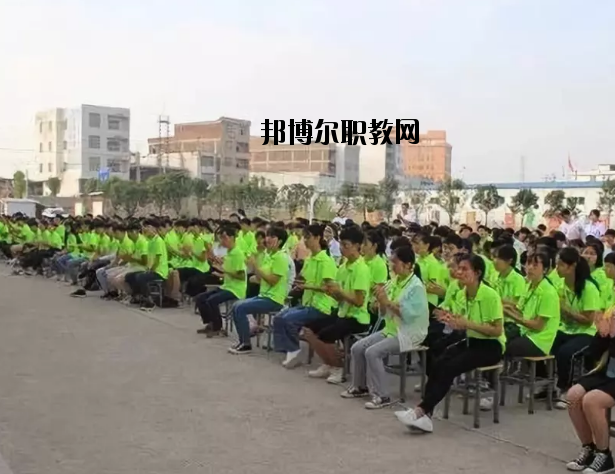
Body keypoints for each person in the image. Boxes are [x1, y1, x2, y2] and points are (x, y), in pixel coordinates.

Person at [395, 254, 505, 434]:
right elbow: (460, 321)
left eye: (464, 269)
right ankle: (425, 415)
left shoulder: (490, 295)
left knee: (450, 367)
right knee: (439, 362)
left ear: (477, 273)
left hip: (491, 346)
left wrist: (467, 324)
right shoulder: (462, 294)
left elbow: (497, 330)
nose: (459, 272)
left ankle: (420, 411)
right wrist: (450, 320)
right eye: (459, 268)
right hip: (471, 340)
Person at [341, 245, 429, 409]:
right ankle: (360, 387)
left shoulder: (416, 287)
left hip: (409, 333)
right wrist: (379, 302)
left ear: (408, 265)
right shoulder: (394, 281)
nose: (392, 265)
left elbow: (408, 316)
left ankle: (382, 395)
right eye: (391, 262)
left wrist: (387, 302)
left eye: (395, 262)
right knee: (357, 348)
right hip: (391, 329)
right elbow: (383, 312)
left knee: (372, 352)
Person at [303, 226, 371, 384]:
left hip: (357, 318)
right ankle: (328, 363)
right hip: (341, 312)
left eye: (346, 245)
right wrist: (332, 292)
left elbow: (359, 302)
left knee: (326, 335)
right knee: (308, 329)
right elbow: (340, 298)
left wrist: (339, 292)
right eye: (341, 244)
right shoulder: (343, 267)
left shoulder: (361, 269)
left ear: (357, 246)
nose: (342, 248)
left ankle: (339, 368)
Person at [273, 224, 337, 368]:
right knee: (279, 317)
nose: (305, 241)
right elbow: (304, 278)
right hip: (308, 303)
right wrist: (296, 283)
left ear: (317, 238)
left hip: (322, 306)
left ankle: (294, 352)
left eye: (308, 237)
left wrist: (307, 286)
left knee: (289, 319)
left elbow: (329, 288)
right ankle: (289, 350)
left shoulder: (326, 261)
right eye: (304, 237)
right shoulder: (310, 259)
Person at [552, 247, 601, 409]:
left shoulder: (589, 288)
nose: (557, 268)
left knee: (566, 353)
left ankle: (566, 390)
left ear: (572, 266)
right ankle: (546, 384)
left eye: (560, 265)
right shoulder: (560, 285)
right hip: (565, 328)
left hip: (587, 332)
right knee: (543, 345)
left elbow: (588, 321)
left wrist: (566, 310)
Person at [229, 226, 290, 355]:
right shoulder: (269, 256)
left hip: (273, 299)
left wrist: (256, 266)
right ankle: (243, 341)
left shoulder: (281, 258)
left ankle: (246, 344)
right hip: (264, 295)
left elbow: (273, 281)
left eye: (272, 237)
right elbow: (259, 277)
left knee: (240, 308)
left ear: (280, 241)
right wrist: (253, 267)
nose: (267, 239)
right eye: (267, 236)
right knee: (236, 306)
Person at [566, 315, 615, 473]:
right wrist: (602, 335)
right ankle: (589, 448)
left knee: (592, 400)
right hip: (607, 373)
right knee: (573, 395)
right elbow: (592, 355)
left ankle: (604, 455)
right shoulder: (611, 315)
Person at [503, 252, 560, 357]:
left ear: (545, 270)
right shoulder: (529, 285)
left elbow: (538, 326)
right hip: (524, 331)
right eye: (528, 263)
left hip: (539, 340)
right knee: (497, 338)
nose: (530, 268)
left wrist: (511, 315)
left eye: (535, 265)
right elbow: (520, 311)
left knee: (508, 346)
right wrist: (505, 309)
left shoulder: (548, 293)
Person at [195, 226, 246, 337]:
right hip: (226, 286)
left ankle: (218, 328)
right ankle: (210, 323)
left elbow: (242, 276)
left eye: (224, 238)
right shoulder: (228, 253)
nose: (222, 241)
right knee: (200, 298)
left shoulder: (238, 254)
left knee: (212, 300)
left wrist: (224, 270)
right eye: (221, 238)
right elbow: (228, 271)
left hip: (236, 289)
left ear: (232, 238)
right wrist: (221, 271)